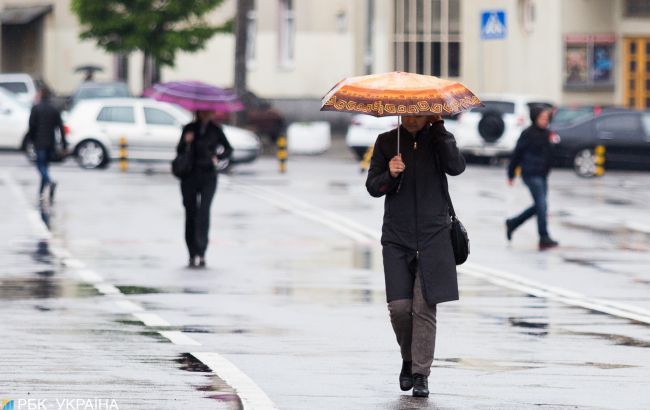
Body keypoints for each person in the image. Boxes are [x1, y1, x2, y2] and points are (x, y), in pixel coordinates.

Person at [366, 114, 465, 398]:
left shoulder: (439, 140)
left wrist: (441, 129)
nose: (411, 119)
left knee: (424, 308)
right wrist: (390, 173)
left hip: (434, 235)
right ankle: (408, 359)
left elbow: (456, 167)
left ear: (428, 113)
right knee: (399, 308)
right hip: (397, 236)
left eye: (417, 113)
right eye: (406, 114)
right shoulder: (387, 141)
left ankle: (421, 373)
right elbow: (373, 186)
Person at [176, 110, 233, 268]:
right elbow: (179, 151)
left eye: (210, 111)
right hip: (189, 176)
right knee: (190, 212)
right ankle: (191, 251)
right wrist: (186, 142)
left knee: (204, 212)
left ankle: (201, 251)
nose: (207, 114)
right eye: (204, 111)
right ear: (199, 111)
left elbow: (228, 149)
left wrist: (218, 158)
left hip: (208, 176)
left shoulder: (216, 130)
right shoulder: (189, 128)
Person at [506, 106, 559, 250]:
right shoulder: (528, 133)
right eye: (542, 118)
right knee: (542, 205)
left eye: (546, 118)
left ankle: (513, 223)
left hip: (542, 174)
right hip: (530, 173)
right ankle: (544, 236)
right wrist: (511, 174)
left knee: (539, 206)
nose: (545, 120)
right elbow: (517, 154)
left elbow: (552, 154)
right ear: (535, 118)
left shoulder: (548, 134)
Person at [27, 86, 67, 202]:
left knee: (41, 166)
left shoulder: (36, 108)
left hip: (39, 143)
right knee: (45, 167)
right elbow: (60, 128)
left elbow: (31, 126)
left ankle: (49, 182)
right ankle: (41, 192)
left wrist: (31, 141)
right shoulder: (54, 109)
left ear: (41, 95)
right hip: (51, 142)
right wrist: (64, 144)